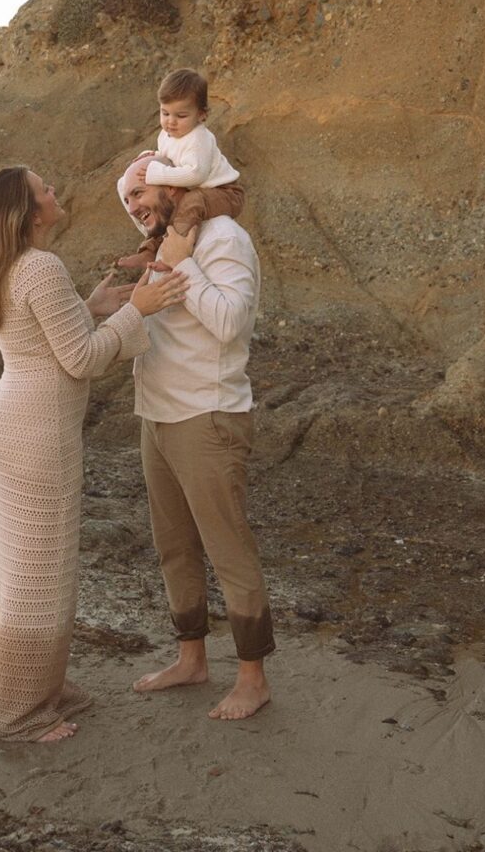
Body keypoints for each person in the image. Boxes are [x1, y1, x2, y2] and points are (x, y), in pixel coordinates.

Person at [0, 165, 188, 743]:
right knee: (43, 573)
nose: (54, 191)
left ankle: (32, 686)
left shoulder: (9, 265)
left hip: (14, 420)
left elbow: (40, 332)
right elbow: (83, 360)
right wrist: (138, 309)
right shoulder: (40, 266)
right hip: (38, 430)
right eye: (46, 189)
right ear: (29, 212)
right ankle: (17, 716)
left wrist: (92, 304)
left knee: (23, 568)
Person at [118, 154, 275, 721]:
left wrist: (184, 265)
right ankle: (191, 661)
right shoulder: (158, 250)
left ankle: (253, 679)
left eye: (142, 191)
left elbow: (232, 322)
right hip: (156, 417)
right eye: (128, 199)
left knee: (227, 549)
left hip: (207, 416)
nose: (135, 205)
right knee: (175, 548)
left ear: (174, 186)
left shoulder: (224, 237)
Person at [117, 68, 246, 270]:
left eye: (181, 115)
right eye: (165, 113)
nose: (170, 121)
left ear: (202, 115)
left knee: (190, 203)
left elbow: (196, 174)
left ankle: (176, 253)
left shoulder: (199, 139)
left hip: (224, 192)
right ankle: (150, 250)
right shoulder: (167, 135)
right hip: (199, 189)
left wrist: (159, 173)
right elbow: (168, 157)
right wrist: (149, 156)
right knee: (165, 208)